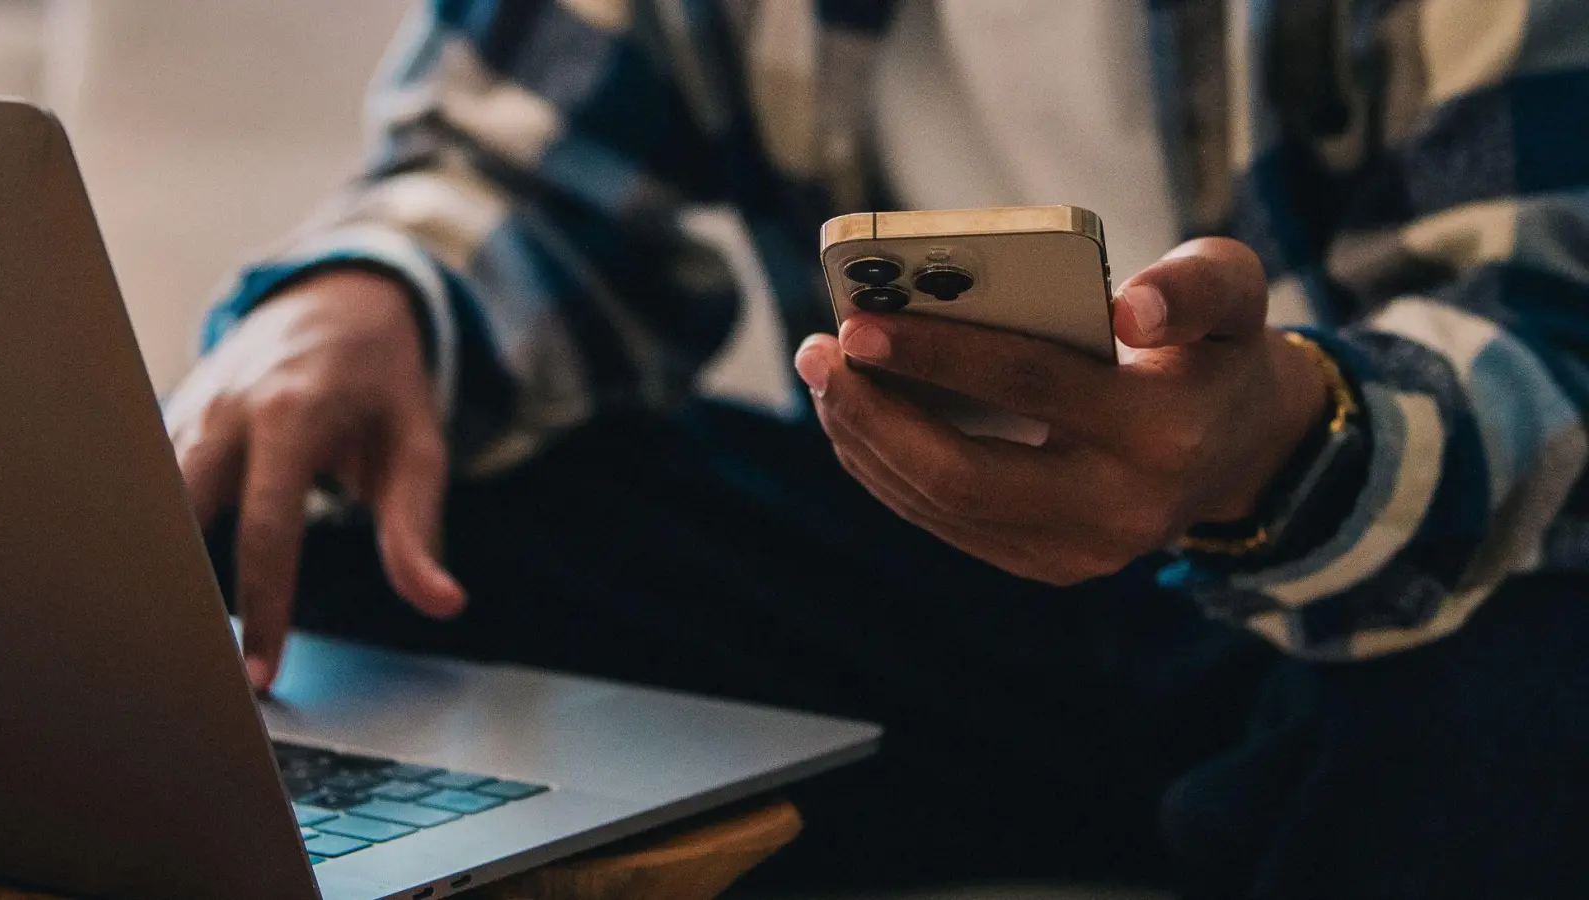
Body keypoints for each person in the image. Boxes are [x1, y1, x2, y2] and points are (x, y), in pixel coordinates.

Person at [166, 0, 1589, 896]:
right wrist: (367, 298)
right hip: (913, 555)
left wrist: (1277, 449)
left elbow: (1547, 334)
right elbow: (511, 159)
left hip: (1319, 582)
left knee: (1518, 696)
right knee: (322, 508)